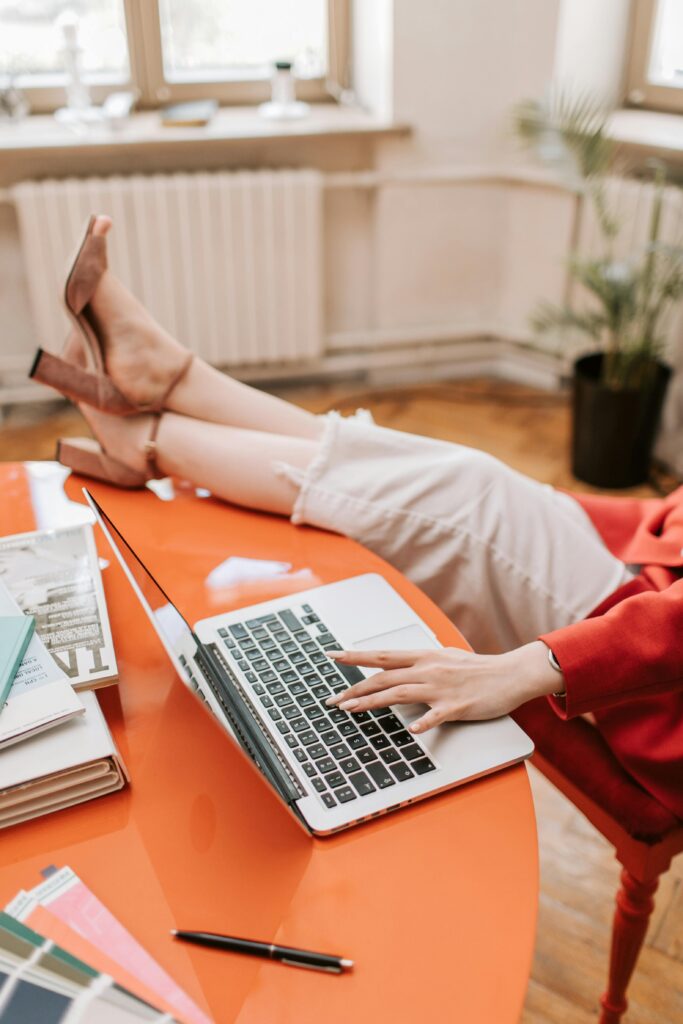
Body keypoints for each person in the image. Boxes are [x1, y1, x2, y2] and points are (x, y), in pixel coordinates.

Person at [31, 216, 683, 820]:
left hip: (661, 677)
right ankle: (158, 409)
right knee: (469, 480)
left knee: (468, 498)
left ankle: (156, 419)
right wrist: (589, 516)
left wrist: (528, 667)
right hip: (661, 569)